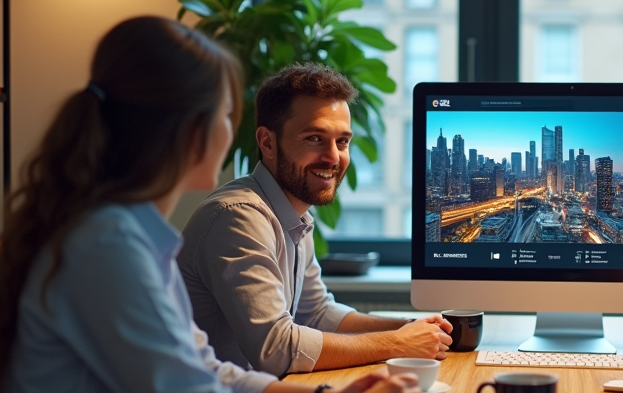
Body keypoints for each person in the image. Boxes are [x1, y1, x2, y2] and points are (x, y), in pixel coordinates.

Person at [0, 18, 423, 393]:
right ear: (190, 130)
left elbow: (210, 374)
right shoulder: (109, 247)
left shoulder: (133, 234)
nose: (230, 131)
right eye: (226, 114)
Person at [179, 64, 452, 376]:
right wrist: (397, 343)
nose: (334, 157)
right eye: (314, 138)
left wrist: (410, 327)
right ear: (267, 143)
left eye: (342, 142)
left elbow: (316, 314)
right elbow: (275, 348)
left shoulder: (293, 214)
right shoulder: (238, 216)